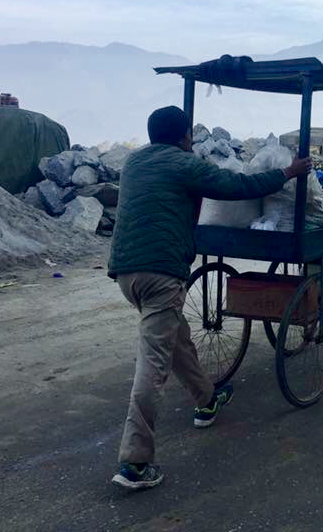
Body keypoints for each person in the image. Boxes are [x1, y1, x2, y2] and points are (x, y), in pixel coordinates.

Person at [107, 106, 311, 490]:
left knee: (176, 335)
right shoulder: (185, 163)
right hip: (161, 272)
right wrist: (287, 173)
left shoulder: (135, 163)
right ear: (184, 136)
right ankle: (134, 462)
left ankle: (206, 400)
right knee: (152, 366)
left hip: (126, 273)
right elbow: (237, 187)